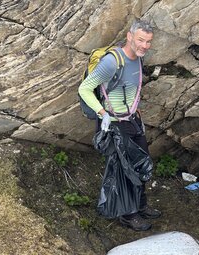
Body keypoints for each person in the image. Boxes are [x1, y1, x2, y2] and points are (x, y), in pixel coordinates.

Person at [78, 19, 161, 231]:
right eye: (141, 40)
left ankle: (141, 206)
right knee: (125, 170)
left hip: (132, 120)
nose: (144, 45)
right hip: (114, 124)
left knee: (141, 162)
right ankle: (128, 215)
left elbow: (133, 86)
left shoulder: (139, 59)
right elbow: (85, 89)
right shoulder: (112, 62)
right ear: (130, 37)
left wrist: (136, 107)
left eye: (148, 41)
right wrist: (102, 112)